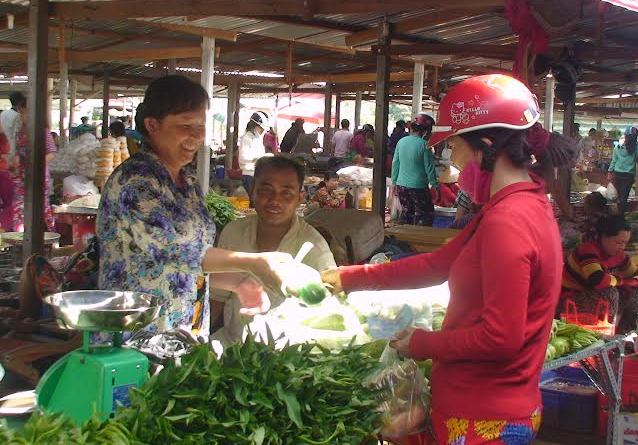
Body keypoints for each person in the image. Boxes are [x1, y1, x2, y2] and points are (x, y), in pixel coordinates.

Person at [322, 74, 563, 445]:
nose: (452, 158)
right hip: (483, 408)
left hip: (484, 417)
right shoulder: (517, 206)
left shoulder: (508, 222)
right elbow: (437, 265)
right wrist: (349, 278)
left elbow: (501, 338)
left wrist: (423, 343)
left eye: (454, 146)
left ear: (486, 144)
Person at [97, 76, 296, 336]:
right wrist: (254, 263)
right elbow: (178, 252)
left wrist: (239, 282)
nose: (197, 136)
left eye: (201, 126)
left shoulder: (186, 179)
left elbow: (188, 265)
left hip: (182, 332)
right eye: (185, 125)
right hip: (136, 335)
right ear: (152, 125)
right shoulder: (136, 181)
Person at [213, 156, 336, 343]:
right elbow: (216, 299)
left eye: (286, 193)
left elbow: (328, 312)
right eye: (266, 190)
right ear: (252, 190)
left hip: (289, 356)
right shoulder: (233, 233)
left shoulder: (315, 248)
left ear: (300, 198)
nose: (274, 200)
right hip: (231, 346)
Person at [562, 215, 638, 334]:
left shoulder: (619, 255)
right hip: (569, 300)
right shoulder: (587, 250)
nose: (622, 247)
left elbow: (633, 273)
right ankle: (606, 337)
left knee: (633, 293)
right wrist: (623, 282)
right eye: (618, 242)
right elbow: (597, 280)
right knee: (610, 293)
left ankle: (627, 336)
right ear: (604, 237)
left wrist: (631, 282)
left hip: (593, 298)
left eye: (625, 243)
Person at [10, 104, 57, 232]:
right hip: (22, 176)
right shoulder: (21, 132)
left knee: (41, 206)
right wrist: (17, 159)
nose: (22, 116)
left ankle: (50, 236)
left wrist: (35, 165)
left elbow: (51, 153)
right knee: (19, 207)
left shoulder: (43, 132)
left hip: (38, 175)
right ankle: (20, 237)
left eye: (24, 113)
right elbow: (20, 152)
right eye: (21, 114)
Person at [391, 121, 439, 225]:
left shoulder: (401, 142)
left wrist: (394, 182)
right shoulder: (425, 145)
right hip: (419, 187)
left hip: (402, 186)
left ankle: (405, 238)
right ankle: (418, 239)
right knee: (423, 216)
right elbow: (429, 168)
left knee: (407, 213)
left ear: (411, 130)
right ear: (425, 132)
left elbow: (395, 163)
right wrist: (435, 185)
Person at [239, 111, 270, 196]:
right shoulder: (246, 138)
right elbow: (243, 157)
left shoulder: (257, 138)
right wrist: (262, 157)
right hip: (249, 175)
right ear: (255, 126)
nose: (262, 131)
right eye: (261, 128)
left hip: (257, 173)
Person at [608, 127, 637, 215]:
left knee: (617, 196)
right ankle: (620, 216)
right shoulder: (636, 148)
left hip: (617, 173)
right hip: (628, 175)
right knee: (624, 197)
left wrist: (609, 171)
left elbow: (614, 160)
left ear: (626, 136)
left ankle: (615, 215)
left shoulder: (618, 146)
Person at [1, 91, 27, 169]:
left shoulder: (3, 113)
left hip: (3, 148)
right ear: (21, 102)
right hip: (12, 150)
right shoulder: (18, 116)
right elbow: (17, 135)